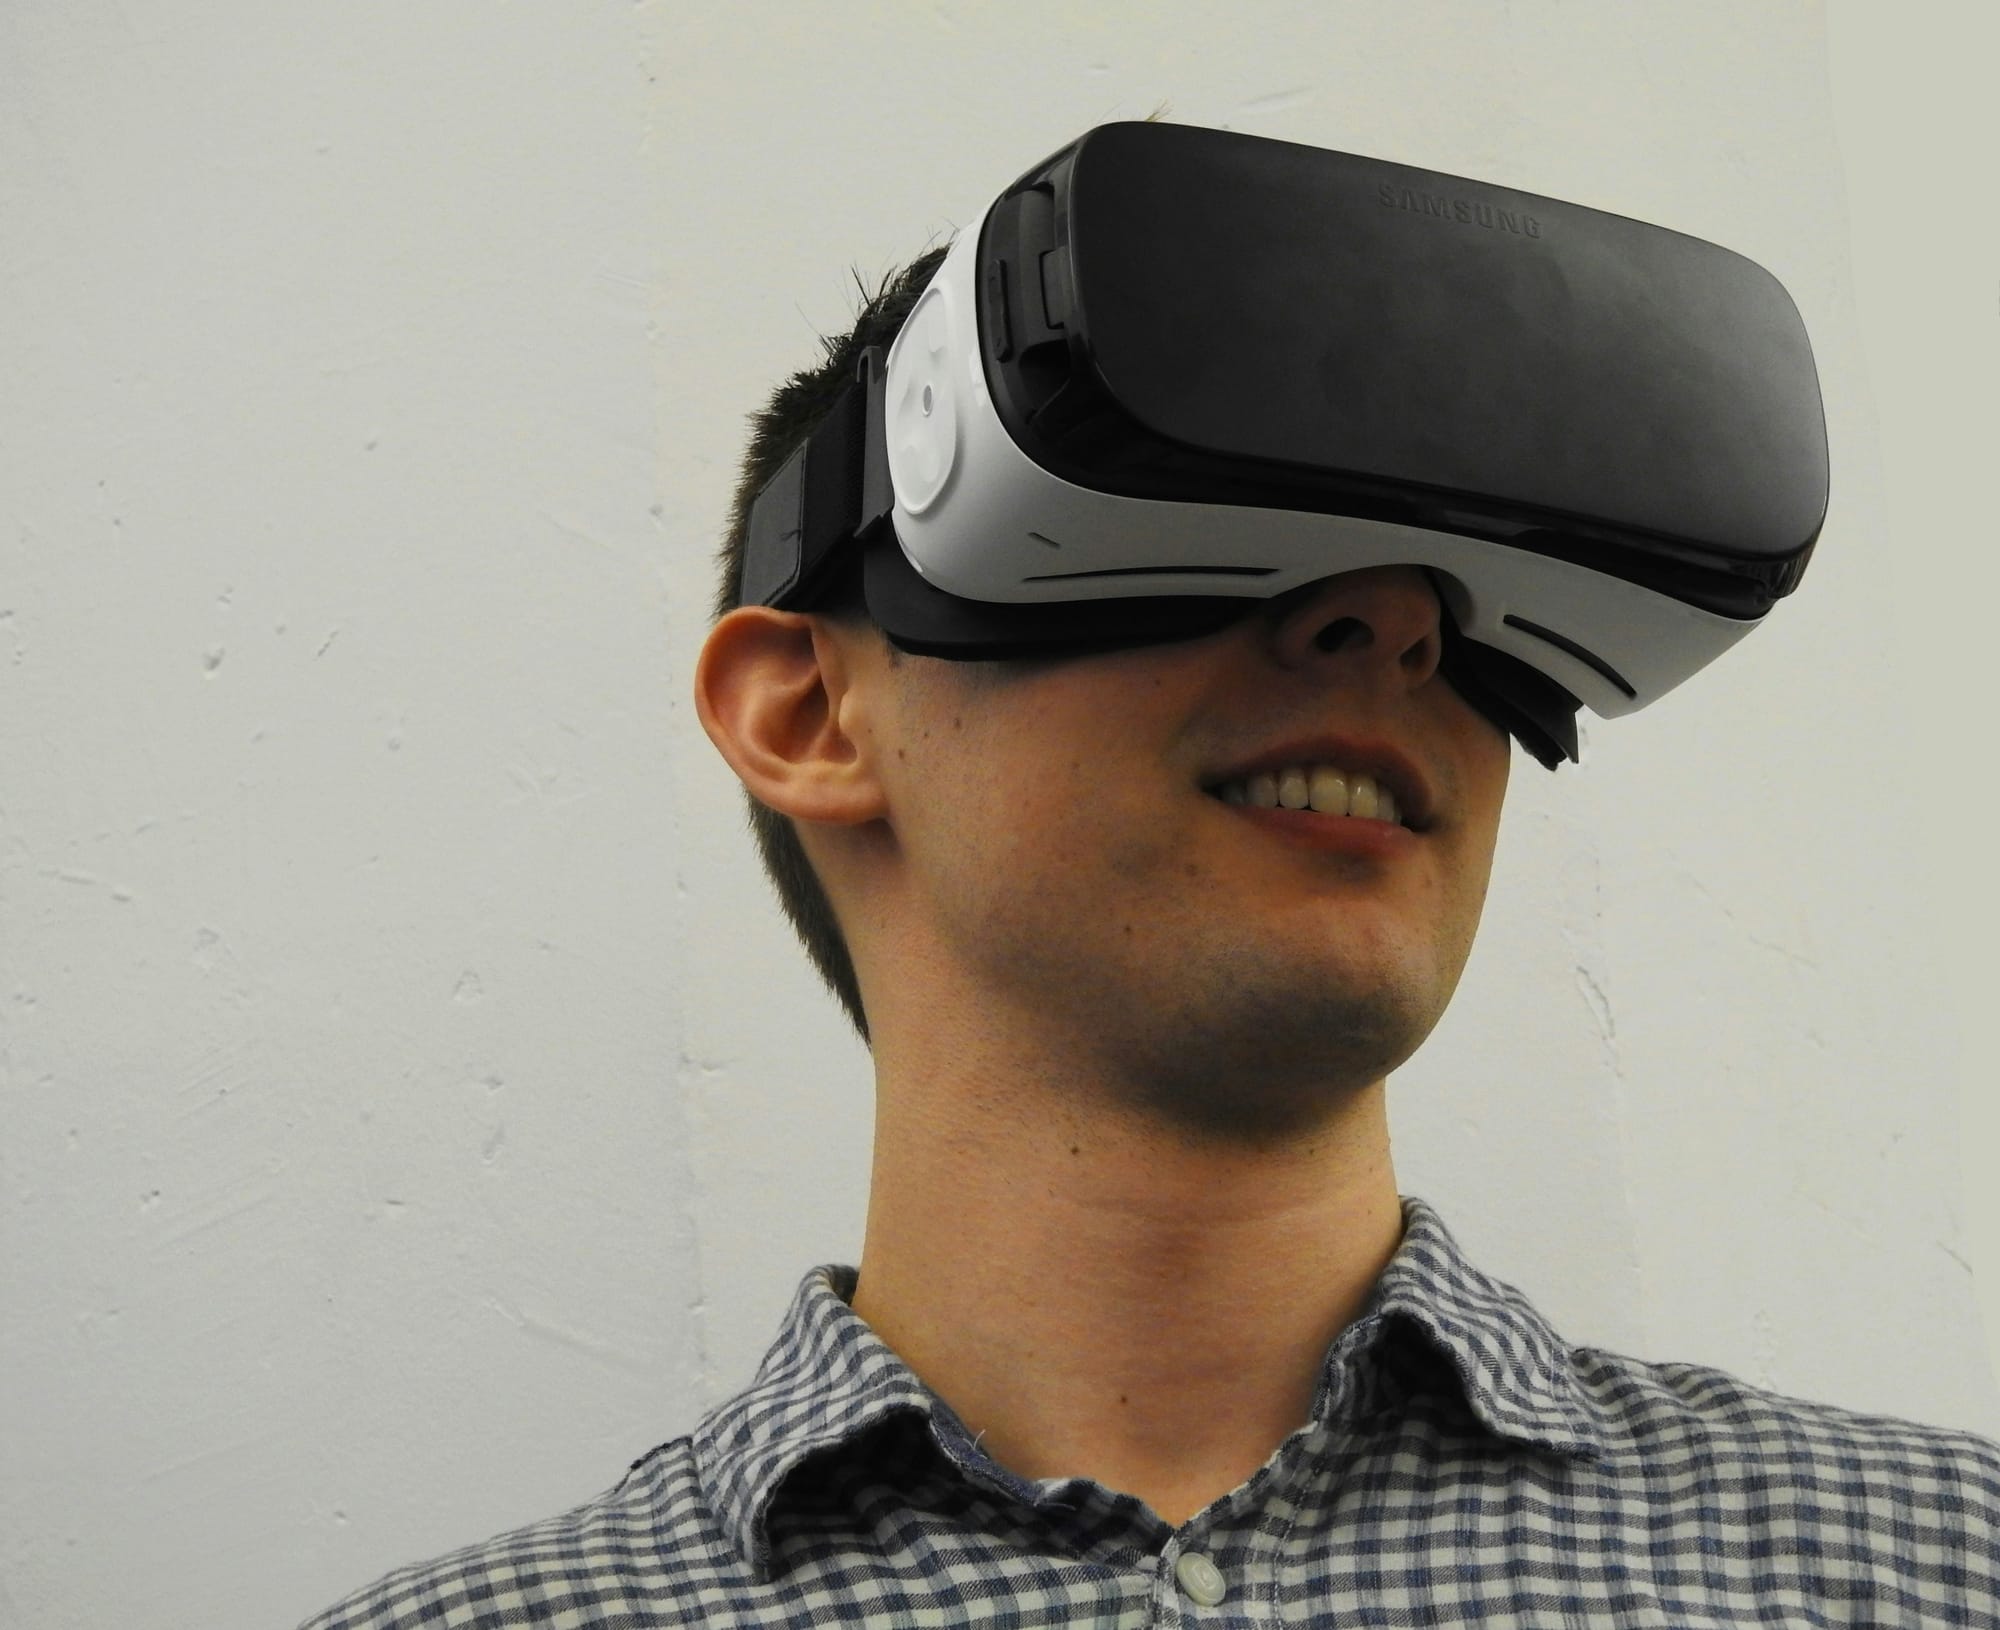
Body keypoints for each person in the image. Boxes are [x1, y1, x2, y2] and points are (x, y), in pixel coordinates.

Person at [304, 236, 2000, 1630]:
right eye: (1190, 498)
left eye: (1458, 579)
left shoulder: (1942, 1567)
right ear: (815, 713)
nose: (1395, 618)